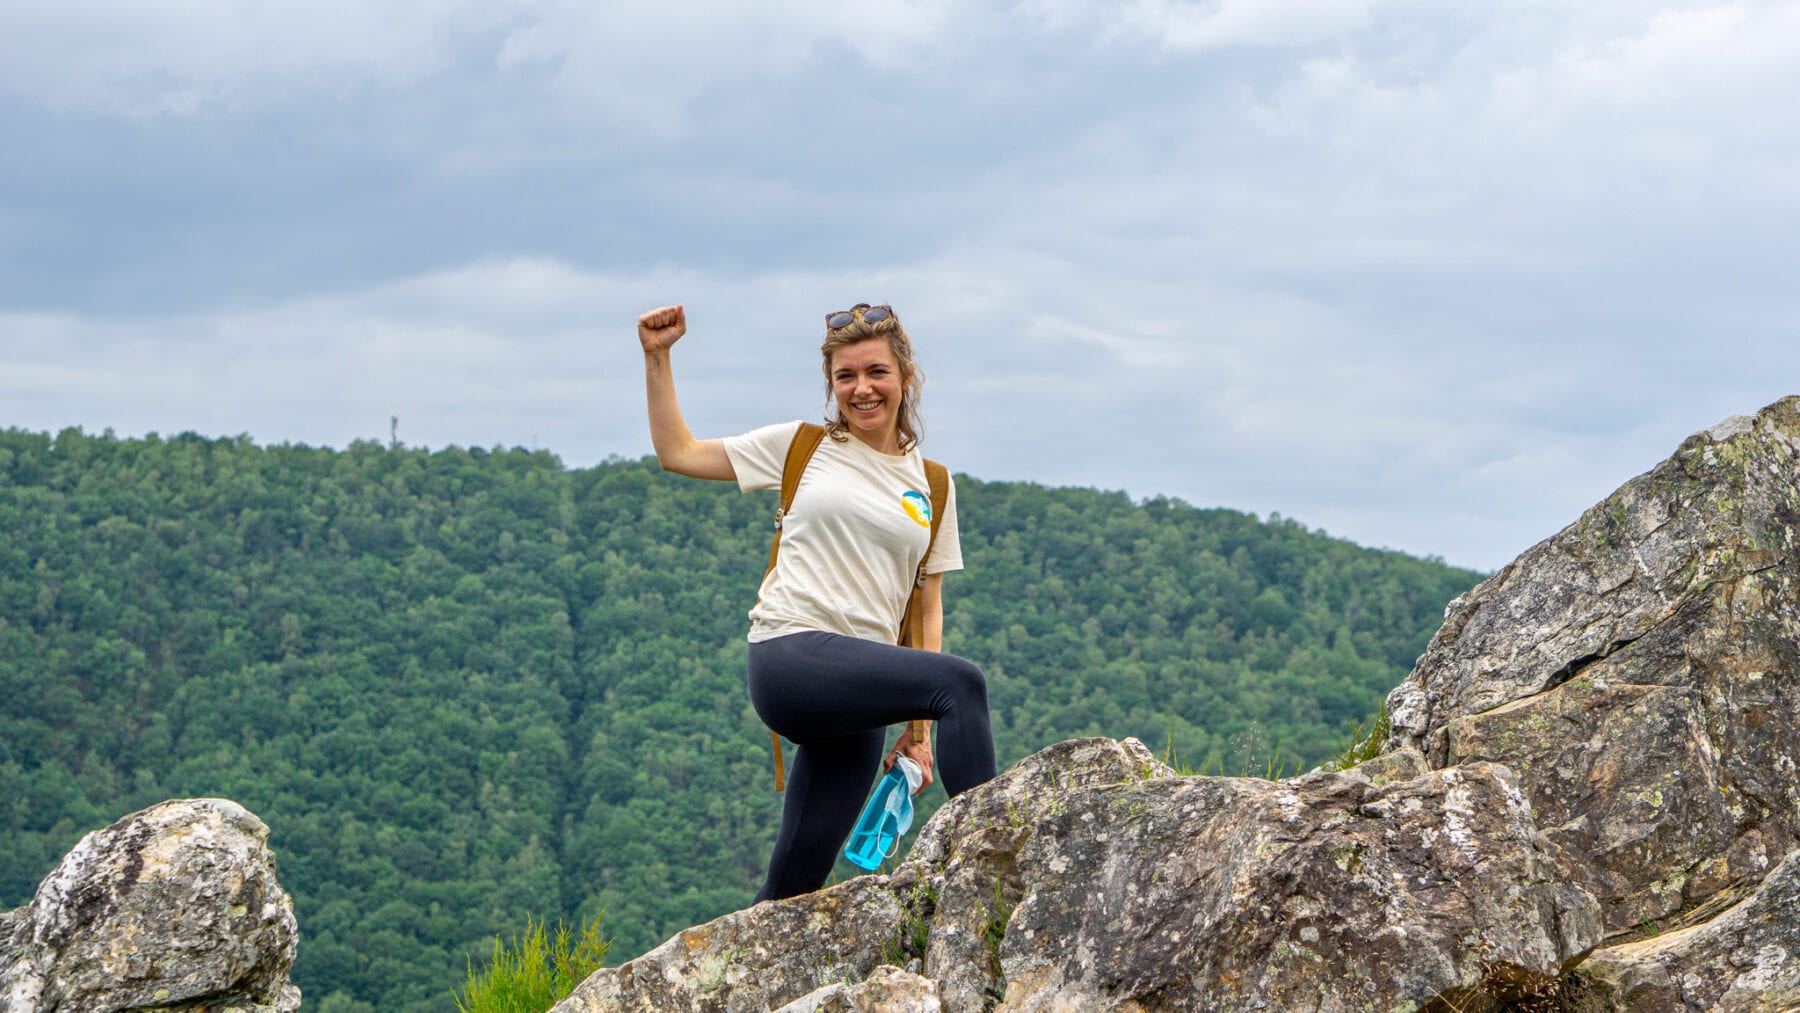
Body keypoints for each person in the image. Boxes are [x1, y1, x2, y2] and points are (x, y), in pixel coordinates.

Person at [636, 301, 997, 902]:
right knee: (962, 684)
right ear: (831, 385)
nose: (862, 389)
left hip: (856, 692)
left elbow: (926, 606)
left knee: (795, 886)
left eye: (876, 372)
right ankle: (997, 867)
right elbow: (679, 453)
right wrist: (657, 356)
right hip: (789, 655)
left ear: (906, 377)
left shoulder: (933, 484)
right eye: (845, 376)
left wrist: (917, 732)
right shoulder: (801, 447)